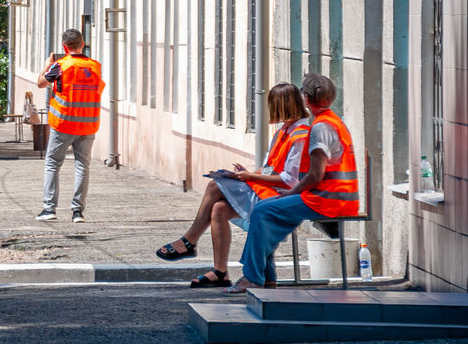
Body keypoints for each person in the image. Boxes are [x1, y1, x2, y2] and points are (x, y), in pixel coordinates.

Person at [155, 83, 312, 288]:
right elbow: (269, 168)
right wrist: (245, 173)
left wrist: (248, 177)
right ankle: (220, 272)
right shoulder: (284, 131)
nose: (269, 110)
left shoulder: (299, 135)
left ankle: (189, 241)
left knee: (214, 186)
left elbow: (289, 180)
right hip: (267, 189)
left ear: (282, 105)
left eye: (271, 105)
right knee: (218, 209)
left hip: (279, 196)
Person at [230, 72, 361, 293]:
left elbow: (315, 175)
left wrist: (289, 194)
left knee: (262, 212)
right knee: (263, 210)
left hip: (326, 199)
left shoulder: (320, 128)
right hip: (335, 196)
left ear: (307, 100)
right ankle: (264, 277)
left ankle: (253, 277)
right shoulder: (333, 121)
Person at [36, 28, 104, 223]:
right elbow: (98, 89)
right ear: (83, 44)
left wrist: (46, 65)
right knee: (82, 166)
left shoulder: (60, 65)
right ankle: (77, 212)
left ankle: (49, 209)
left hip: (64, 124)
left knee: (52, 164)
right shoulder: (95, 66)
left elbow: (40, 83)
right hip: (88, 125)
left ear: (64, 46)